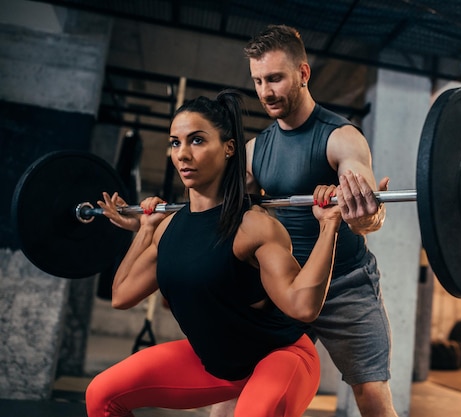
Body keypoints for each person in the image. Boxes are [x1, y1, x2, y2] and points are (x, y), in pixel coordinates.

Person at [85, 91, 343, 417]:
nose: (182, 154)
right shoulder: (167, 229)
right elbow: (121, 295)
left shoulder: (254, 227)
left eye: (196, 141)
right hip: (214, 365)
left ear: (229, 148)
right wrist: (146, 230)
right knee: (101, 394)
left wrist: (329, 226)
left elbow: (303, 306)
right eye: (175, 143)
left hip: (280, 357)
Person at [210, 25, 397, 417]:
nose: (266, 92)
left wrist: (366, 215)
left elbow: (367, 216)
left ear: (303, 74)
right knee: (236, 386)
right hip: (285, 282)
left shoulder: (340, 137)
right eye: (259, 81)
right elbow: (217, 211)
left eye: (275, 78)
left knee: (372, 394)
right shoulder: (255, 150)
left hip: (345, 283)